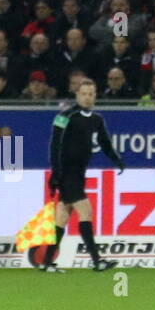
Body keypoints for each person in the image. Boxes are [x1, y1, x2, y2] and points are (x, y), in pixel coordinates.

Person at [40, 78, 124, 273]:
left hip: (78, 173)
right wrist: (56, 173)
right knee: (85, 211)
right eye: (84, 94)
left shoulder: (97, 119)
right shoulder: (66, 116)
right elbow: (55, 145)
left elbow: (105, 143)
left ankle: (46, 262)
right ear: (77, 95)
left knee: (62, 216)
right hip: (67, 172)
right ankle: (97, 261)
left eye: (91, 94)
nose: (88, 97)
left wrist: (116, 159)